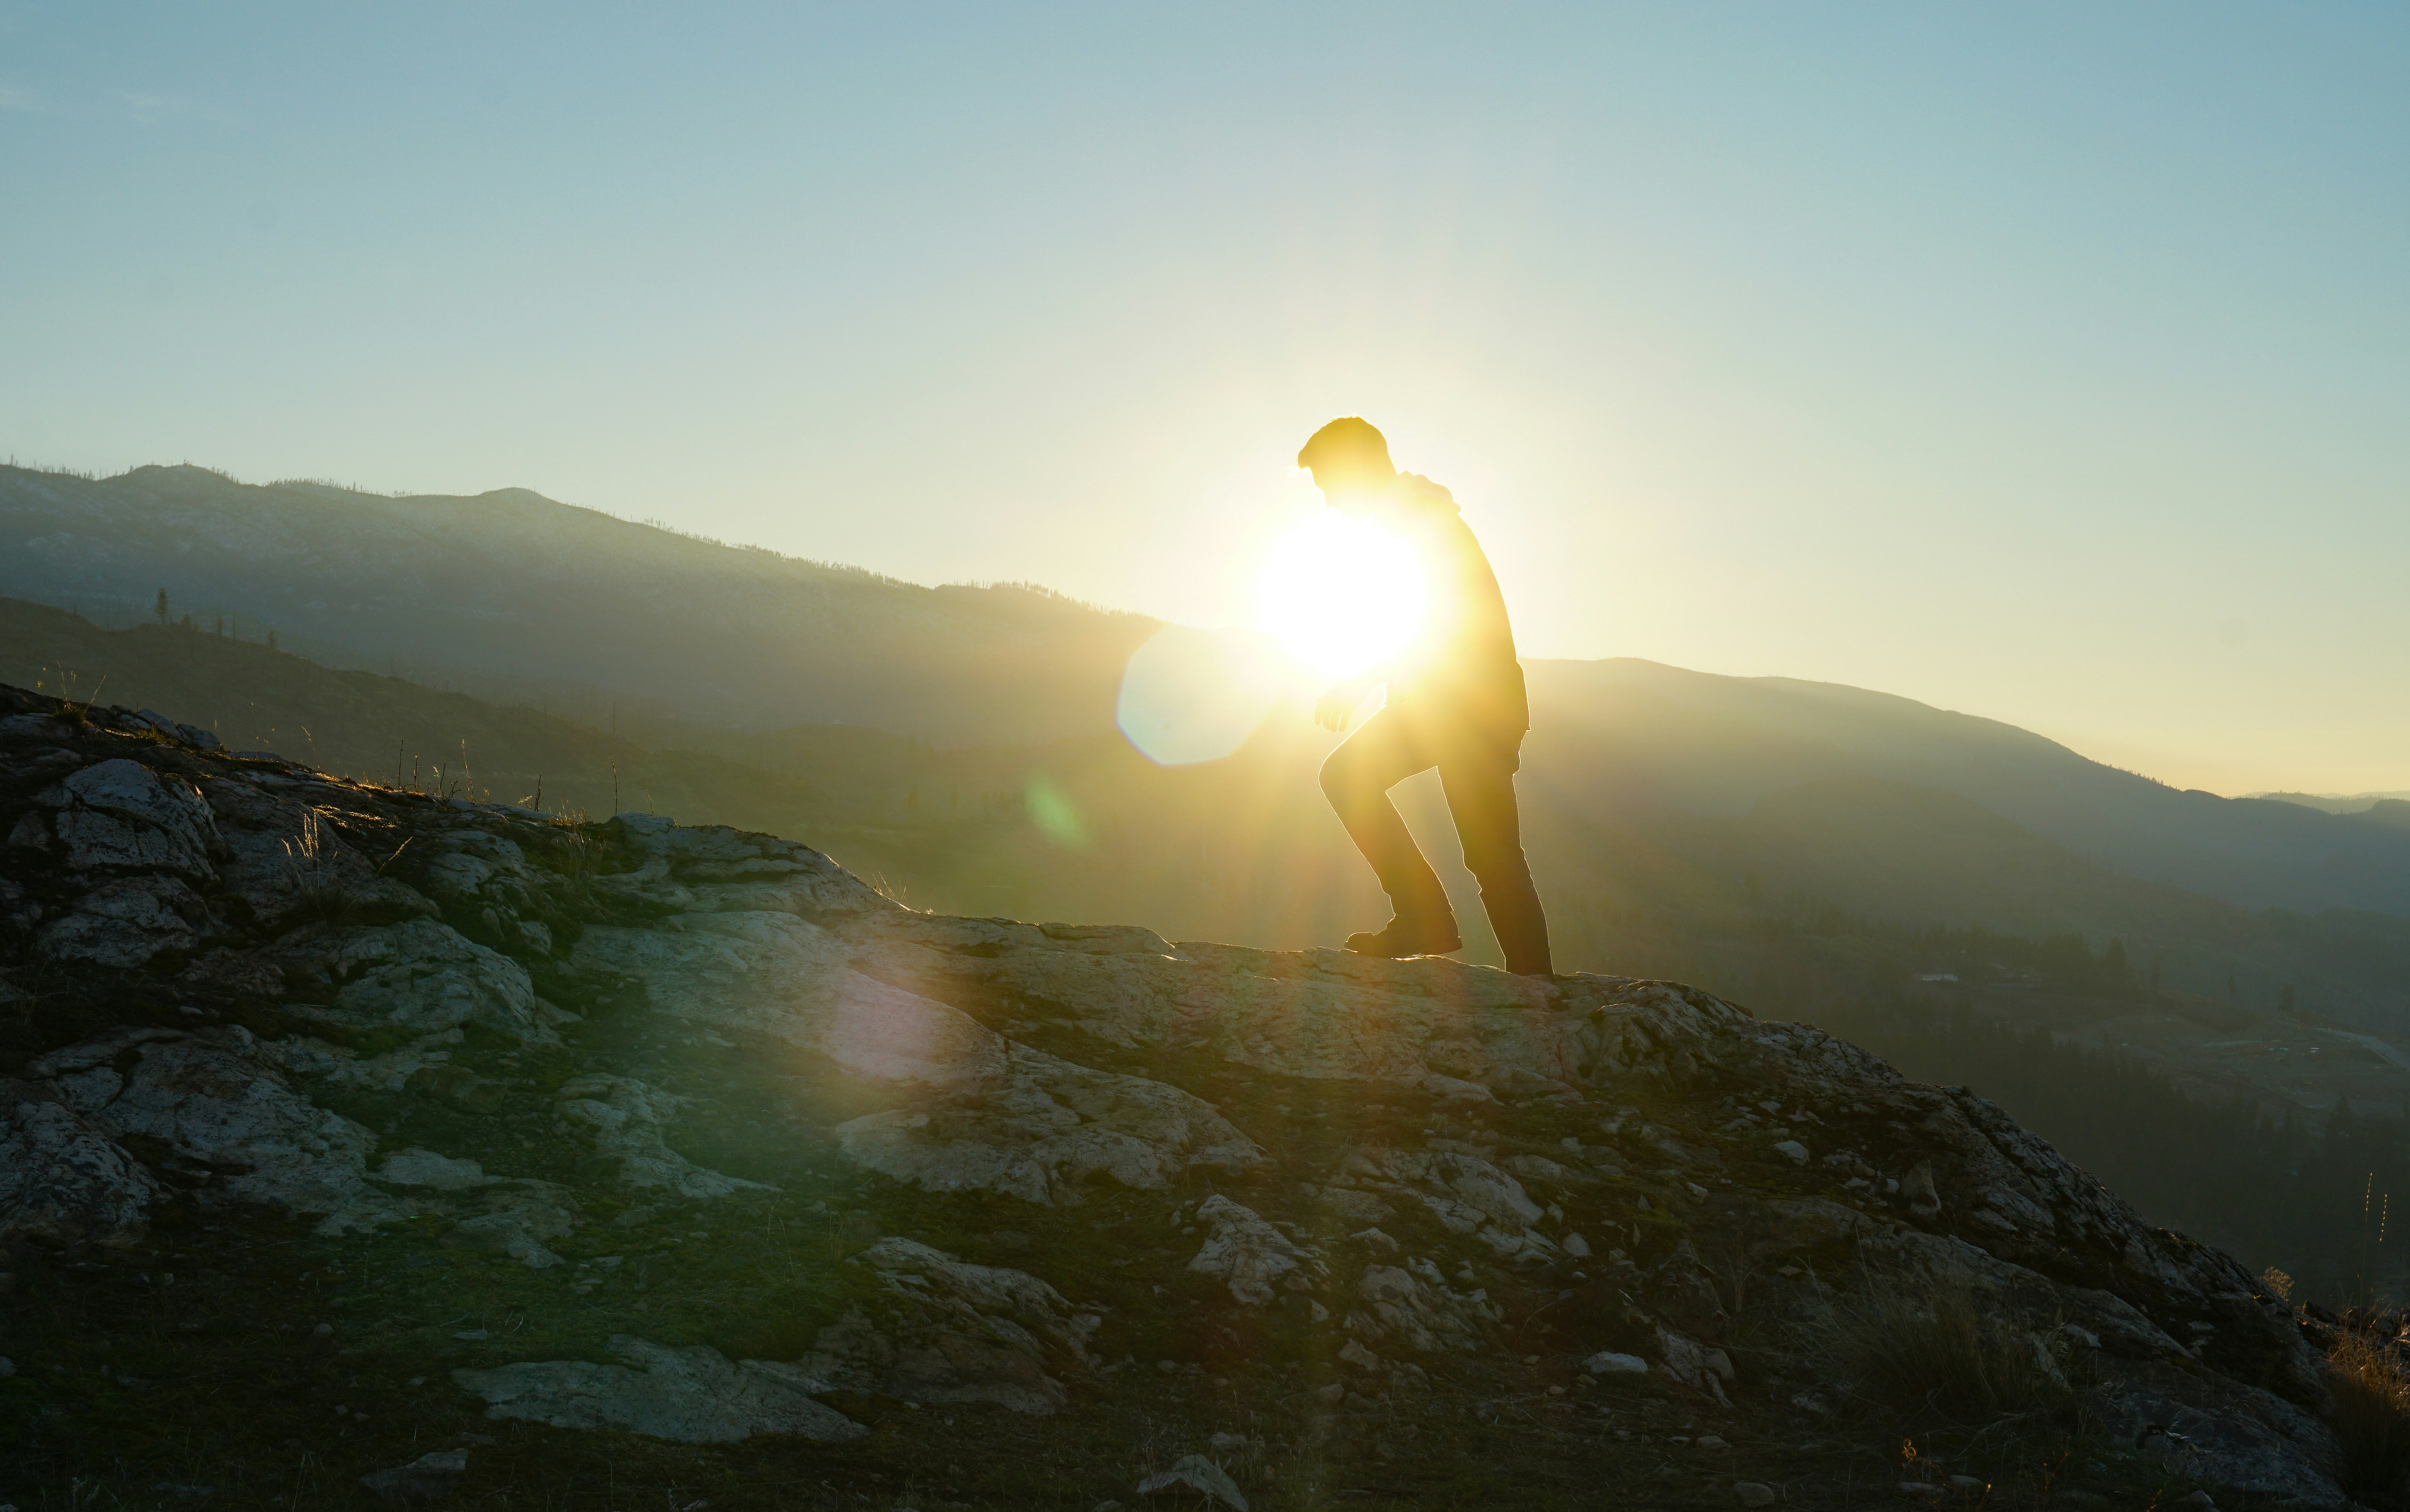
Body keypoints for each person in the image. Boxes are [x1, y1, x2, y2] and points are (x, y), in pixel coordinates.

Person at [1299, 416, 1554, 977]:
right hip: (1448, 706)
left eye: (1328, 486)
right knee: (1485, 852)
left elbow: (1443, 623)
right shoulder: (1411, 518)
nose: (1329, 503)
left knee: (1491, 855)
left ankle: (1522, 979)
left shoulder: (1419, 521)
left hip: (1470, 709)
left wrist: (1361, 681)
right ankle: (1443, 928)